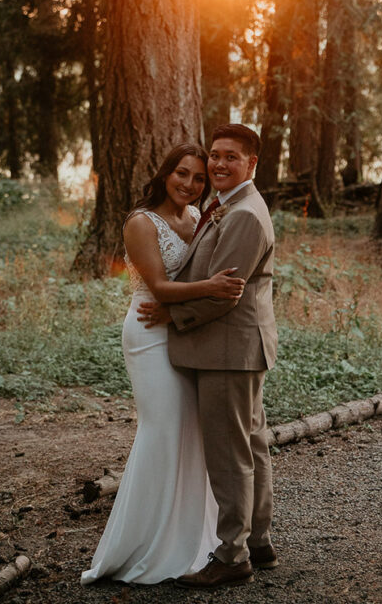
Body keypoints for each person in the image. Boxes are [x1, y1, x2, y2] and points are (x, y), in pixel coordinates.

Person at [81, 142, 245, 586]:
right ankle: (139, 544)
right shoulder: (140, 222)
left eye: (198, 179)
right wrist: (212, 287)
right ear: (165, 172)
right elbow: (157, 285)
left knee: (191, 433)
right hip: (149, 330)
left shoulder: (195, 217)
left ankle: (190, 539)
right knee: (162, 430)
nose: (189, 185)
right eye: (182, 174)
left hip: (182, 331)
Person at [138, 122, 277, 588]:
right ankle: (258, 540)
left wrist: (172, 314)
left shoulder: (243, 214)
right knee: (252, 443)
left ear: (251, 164)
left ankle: (232, 555)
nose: (218, 163)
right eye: (215, 155)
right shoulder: (225, 205)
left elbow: (224, 292)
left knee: (229, 453)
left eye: (230, 157)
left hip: (227, 349)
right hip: (236, 346)